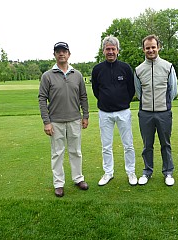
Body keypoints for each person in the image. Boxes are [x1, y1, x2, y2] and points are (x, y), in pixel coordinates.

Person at [38, 42, 89, 197]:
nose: (61, 54)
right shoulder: (47, 76)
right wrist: (46, 122)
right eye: (58, 51)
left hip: (74, 120)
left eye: (64, 51)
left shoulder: (77, 75)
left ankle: (78, 178)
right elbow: (42, 99)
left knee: (76, 151)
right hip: (55, 121)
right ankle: (58, 184)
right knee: (57, 153)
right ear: (54, 54)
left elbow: (83, 97)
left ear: (69, 54)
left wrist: (85, 115)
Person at [91, 36, 137, 186]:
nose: (110, 52)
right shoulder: (97, 69)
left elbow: (131, 89)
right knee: (106, 146)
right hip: (104, 112)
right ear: (103, 50)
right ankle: (108, 172)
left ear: (117, 51)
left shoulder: (125, 68)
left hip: (123, 111)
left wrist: (122, 101)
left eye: (113, 49)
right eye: (107, 49)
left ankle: (131, 172)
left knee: (128, 144)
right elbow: (96, 91)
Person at [134, 34, 178, 186]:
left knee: (165, 144)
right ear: (143, 49)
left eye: (153, 47)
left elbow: (173, 90)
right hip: (145, 113)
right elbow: (139, 92)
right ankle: (147, 171)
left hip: (164, 112)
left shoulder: (168, 66)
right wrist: (148, 104)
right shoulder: (139, 69)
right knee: (147, 145)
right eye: (148, 48)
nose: (151, 50)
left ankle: (168, 172)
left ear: (158, 47)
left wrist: (163, 104)